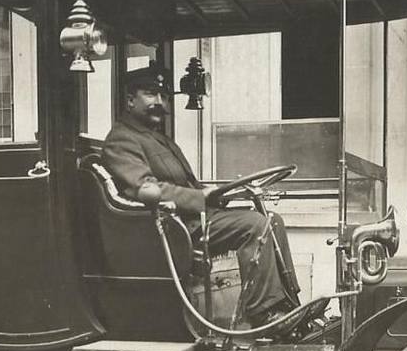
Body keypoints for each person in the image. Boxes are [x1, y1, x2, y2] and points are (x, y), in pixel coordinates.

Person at [103, 64, 297, 327]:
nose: (159, 102)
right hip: (173, 229)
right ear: (129, 100)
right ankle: (264, 313)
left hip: (195, 220)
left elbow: (188, 183)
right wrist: (201, 199)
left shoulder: (159, 139)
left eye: (162, 96)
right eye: (150, 94)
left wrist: (216, 194)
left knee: (271, 219)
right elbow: (145, 188)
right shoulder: (122, 140)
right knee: (256, 226)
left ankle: (289, 304)